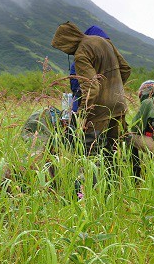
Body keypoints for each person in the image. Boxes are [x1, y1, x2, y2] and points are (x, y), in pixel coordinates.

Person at [51, 21, 131, 165]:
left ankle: (89, 187)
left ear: (67, 41)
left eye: (62, 47)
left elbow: (91, 88)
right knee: (115, 151)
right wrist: (114, 90)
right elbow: (125, 69)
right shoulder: (103, 41)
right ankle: (117, 184)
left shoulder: (81, 53)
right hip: (119, 106)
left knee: (89, 155)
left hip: (98, 112)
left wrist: (82, 115)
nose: (65, 51)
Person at [69, 25, 110, 112]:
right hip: (82, 97)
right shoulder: (82, 58)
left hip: (100, 101)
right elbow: (76, 85)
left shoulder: (102, 59)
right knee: (77, 120)